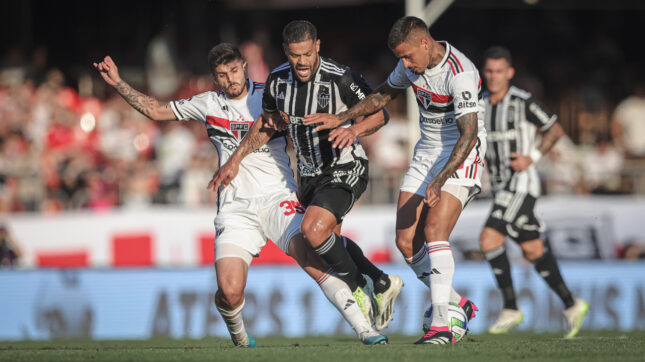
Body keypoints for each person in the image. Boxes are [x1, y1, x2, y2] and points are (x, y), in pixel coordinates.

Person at [93, 44, 388, 346]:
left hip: (278, 197)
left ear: (245, 67)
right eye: (221, 75)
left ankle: (365, 329)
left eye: (234, 71)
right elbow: (155, 110)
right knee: (230, 291)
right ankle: (241, 340)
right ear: (214, 77)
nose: (230, 79)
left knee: (311, 257)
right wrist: (117, 82)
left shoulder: (272, 94)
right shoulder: (208, 103)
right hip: (235, 207)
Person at [210, 20, 404, 332]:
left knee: (313, 230)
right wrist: (235, 159)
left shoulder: (341, 78)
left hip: (345, 165)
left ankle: (360, 288)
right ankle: (381, 283)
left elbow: (381, 113)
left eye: (306, 54)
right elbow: (266, 125)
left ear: (317, 46)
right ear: (286, 51)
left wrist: (350, 127)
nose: (301, 62)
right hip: (310, 176)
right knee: (327, 242)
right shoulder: (276, 82)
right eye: (294, 55)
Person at [304, 16, 483, 344]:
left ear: (425, 44)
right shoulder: (412, 65)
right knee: (405, 242)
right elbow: (383, 95)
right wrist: (344, 118)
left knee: (434, 231)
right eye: (400, 58)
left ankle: (442, 323)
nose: (404, 64)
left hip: (461, 152)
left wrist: (440, 180)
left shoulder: (461, 73)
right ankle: (458, 303)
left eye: (408, 56)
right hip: (427, 152)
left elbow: (469, 133)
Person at [479, 46, 589, 338]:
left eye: (499, 71)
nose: (493, 76)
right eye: (488, 71)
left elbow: (555, 130)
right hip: (501, 187)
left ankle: (511, 307)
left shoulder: (523, 102)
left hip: (522, 184)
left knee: (489, 237)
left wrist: (533, 158)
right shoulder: (480, 104)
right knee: (532, 249)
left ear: (510, 73)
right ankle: (572, 303)